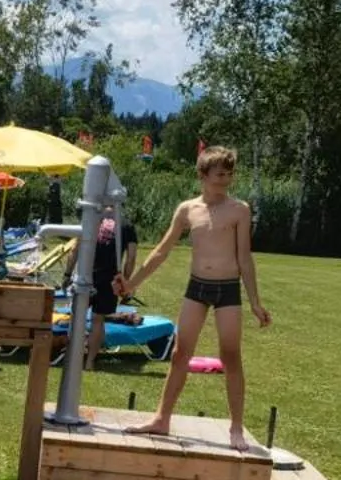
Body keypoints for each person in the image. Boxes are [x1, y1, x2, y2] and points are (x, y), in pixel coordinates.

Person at [116, 146, 270, 449]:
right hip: (196, 287)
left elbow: (245, 258)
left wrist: (255, 302)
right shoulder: (187, 209)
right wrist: (131, 284)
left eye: (228, 174)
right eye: (218, 175)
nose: (224, 180)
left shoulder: (239, 209)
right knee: (179, 354)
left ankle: (236, 429)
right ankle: (161, 419)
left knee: (230, 356)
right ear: (202, 175)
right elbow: (161, 251)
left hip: (227, 289)